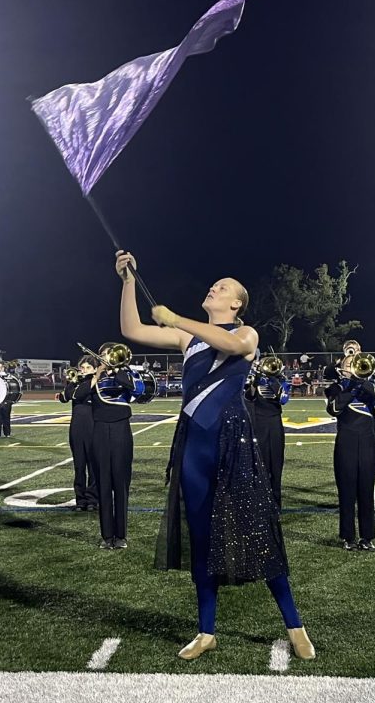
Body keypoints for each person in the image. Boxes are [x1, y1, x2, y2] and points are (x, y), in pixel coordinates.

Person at [116, 250, 314, 662]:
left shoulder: (247, 334)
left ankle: (295, 625)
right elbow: (131, 328)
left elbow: (225, 342)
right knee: (202, 539)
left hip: (233, 442)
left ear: (235, 303)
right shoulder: (187, 338)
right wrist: (128, 280)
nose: (214, 288)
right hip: (193, 444)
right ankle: (207, 631)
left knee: (258, 531)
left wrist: (175, 318)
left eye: (222, 288)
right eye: (214, 285)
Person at [326, 349, 375, 550]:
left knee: (365, 491)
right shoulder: (336, 388)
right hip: (346, 443)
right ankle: (348, 537)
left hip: (368, 443)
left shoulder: (369, 386)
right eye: (348, 365)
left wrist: (365, 384)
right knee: (347, 491)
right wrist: (351, 390)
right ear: (342, 370)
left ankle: (367, 537)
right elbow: (334, 409)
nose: (353, 368)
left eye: (356, 364)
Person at [90, 343, 137, 549]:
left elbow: (133, 387)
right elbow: (80, 394)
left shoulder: (125, 373)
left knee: (120, 483)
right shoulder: (94, 378)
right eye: (103, 355)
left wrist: (115, 368)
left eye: (109, 355)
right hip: (99, 430)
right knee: (103, 483)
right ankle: (106, 535)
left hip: (121, 430)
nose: (106, 358)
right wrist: (97, 374)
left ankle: (121, 536)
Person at [245, 355, 290, 509]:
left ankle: (275, 503)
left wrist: (273, 381)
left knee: (276, 463)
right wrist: (254, 381)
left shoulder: (281, 381)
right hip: (258, 423)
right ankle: (259, 501)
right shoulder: (255, 379)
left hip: (275, 423)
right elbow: (249, 397)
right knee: (259, 462)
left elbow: (283, 399)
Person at [57, 355, 98, 511]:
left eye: (88, 368)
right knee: (79, 466)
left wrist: (92, 379)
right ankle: (80, 500)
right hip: (76, 429)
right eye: (82, 367)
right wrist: (72, 381)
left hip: (93, 427)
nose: (84, 370)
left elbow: (81, 394)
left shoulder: (96, 383)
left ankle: (93, 499)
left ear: (94, 369)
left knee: (93, 466)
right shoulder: (75, 383)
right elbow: (66, 397)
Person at [0, 360, 14, 438]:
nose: (0, 368)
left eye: (1, 367)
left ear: (4, 368)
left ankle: (7, 433)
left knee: (6, 417)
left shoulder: (9, 376)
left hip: (6, 400)